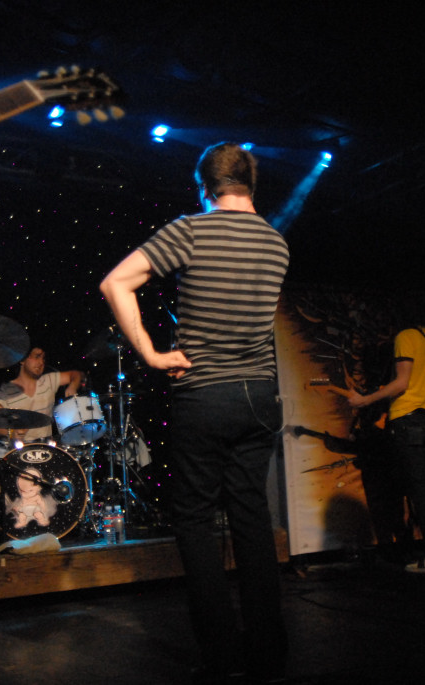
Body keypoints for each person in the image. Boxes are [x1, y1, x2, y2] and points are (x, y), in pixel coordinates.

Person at [100, 142, 289, 684]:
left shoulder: (191, 229)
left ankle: (222, 655)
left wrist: (151, 354)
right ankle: (269, 653)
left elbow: (115, 282)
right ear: (251, 185)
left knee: (196, 521)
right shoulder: (277, 242)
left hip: (205, 393)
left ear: (204, 186)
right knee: (251, 518)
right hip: (260, 394)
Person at [347, 317, 425, 573]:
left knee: (418, 490)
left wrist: (365, 400)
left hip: (406, 419)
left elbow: (402, 383)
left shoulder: (404, 337)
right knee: (423, 486)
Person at [0, 346, 84, 442]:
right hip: (18, 448)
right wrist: (10, 433)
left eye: (43, 358)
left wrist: (73, 386)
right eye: (37, 357)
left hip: (45, 447)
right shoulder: (6, 390)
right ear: (22, 360)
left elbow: (77, 374)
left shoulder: (49, 380)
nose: (41, 362)